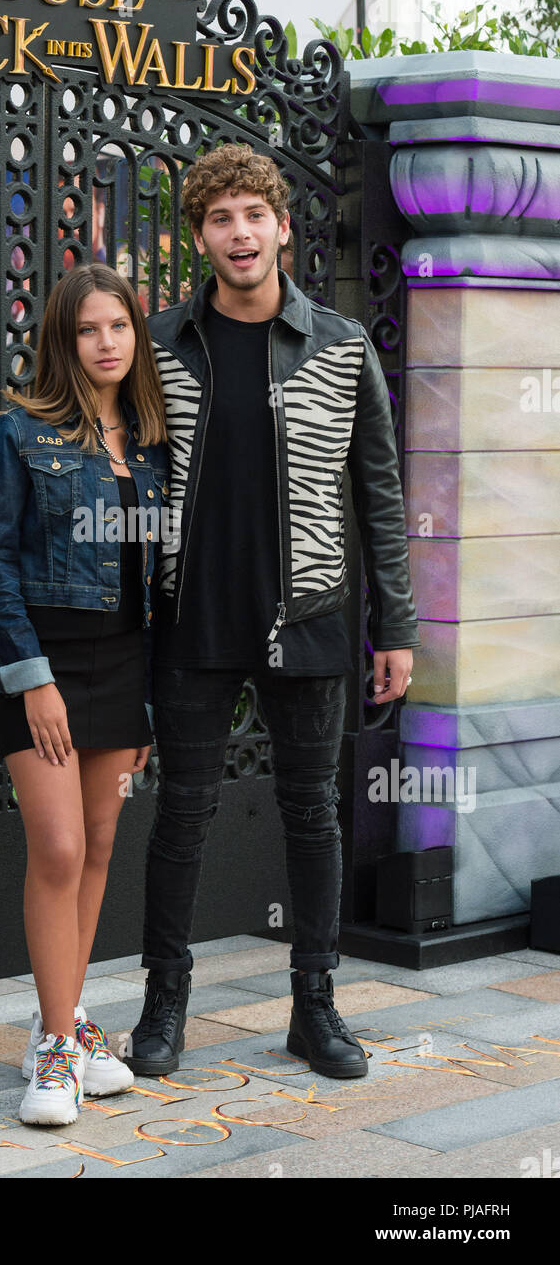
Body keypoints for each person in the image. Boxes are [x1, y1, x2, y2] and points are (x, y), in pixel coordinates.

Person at [126, 142, 420, 1081]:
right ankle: (163, 1005)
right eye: (220, 218)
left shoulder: (340, 347)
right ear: (201, 238)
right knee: (182, 816)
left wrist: (399, 630)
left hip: (313, 613)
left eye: (254, 214)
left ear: (283, 228)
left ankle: (316, 1007)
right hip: (194, 617)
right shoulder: (160, 344)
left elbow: (378, 492)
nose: (240, 232)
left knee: (311, 816)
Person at [0, 262, 170, 1126]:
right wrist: (34, 680)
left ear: (136, 333)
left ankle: (65, 1022)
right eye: (88, 329)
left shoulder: (156, 440)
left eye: (118, 326)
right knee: (54, 849)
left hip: (126, 668)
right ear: (63, 337)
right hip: (43, 667)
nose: (105, 343)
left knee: (95, 846)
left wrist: (156, 700)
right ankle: (56, 1054)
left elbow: (160, 583)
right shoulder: (21, 434)